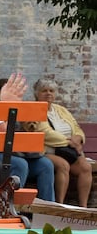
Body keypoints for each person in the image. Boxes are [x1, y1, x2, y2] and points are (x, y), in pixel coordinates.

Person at [0, 77, 57, 202]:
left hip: (19, 153)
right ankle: (11, 206)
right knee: (21, 164)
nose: (15, 94)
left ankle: (47, 207)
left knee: (45, 164)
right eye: (9, 90)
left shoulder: (19, 110)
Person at [33, 78, 92, 207]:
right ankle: (60, 205)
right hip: (47, 150)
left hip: (68, 150)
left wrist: (78, 138)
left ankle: (84, 207)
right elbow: (45, 132)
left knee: (86, 167)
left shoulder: (61, 109)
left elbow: (76, 127)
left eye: (51, 91)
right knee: (63, 165)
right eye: (44, 91)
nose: (48, 93)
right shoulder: (34, 109)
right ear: (37, 93)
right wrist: (69, 143)